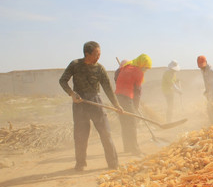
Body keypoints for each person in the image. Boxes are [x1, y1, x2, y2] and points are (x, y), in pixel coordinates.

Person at [59, 41, 122, 171]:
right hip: (79, 102)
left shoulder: (99, 68)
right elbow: (62, 81)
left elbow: (108, 88)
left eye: (99, 54)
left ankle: (113, 164)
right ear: (87, 54)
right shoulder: (75, 65)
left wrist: (117, 105)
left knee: (105, 133)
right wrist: (72, 94)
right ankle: (80, 163)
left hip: (95, 101)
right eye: (96, 54)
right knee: (80, 135)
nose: (98, 57)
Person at [115, 54, 152, 155]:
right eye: (145, 68)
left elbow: (117, 80)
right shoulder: (138, 72)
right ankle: (135, 149)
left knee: (124, 123)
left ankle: (127, 147)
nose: (145, 70)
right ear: (141, 65)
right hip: (127, 98)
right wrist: (135, 106)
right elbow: (138, 91)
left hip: (118, 99)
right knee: (132, 123)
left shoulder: (125, 67)